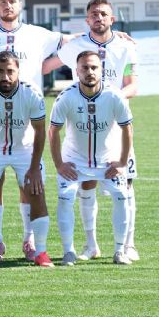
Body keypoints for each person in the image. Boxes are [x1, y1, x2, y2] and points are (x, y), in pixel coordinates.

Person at [0, 0, 62, 262]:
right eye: (2, 1)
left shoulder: (38, 35)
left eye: (12, 1)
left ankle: (34, 245)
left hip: (25, 143)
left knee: (33, 187)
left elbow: (71, 41)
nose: (8, 5)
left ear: (20, 4)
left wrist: (110, 37)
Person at [43, 0, 140, 262]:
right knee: (86, 182)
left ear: (112, 19)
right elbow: (45, 66)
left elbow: (133, 85)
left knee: (125, 183)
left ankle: (128, 244)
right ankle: (91, 245)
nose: (99, 18)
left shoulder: (126, 46)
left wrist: (109, 98)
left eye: (103, 14)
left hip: (114, 124)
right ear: (87, 20)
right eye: (94, 14)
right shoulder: (76, 46)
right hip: (83, 125)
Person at [0, 51, 54, 269]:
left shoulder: (32, 92)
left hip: (24, 148)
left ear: (18, 71)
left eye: (10, 71)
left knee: (36, 189)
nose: (5, 76)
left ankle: (39, 251)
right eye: (0, 71)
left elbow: (40, 131)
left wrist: (34, 168)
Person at [49, 50, 134, 266]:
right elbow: (53, 131)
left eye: (94, 67)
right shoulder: (66, 97)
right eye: (85, 68)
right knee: (66, 197)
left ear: (101, 69)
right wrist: (59, 164)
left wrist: (122, 162)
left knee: (121, 196)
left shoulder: (114, 95)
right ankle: (69, 251)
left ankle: (119, 251)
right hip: (74, 160)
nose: (90, 72)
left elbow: (127, 129)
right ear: (76, 71)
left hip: (107, 160)